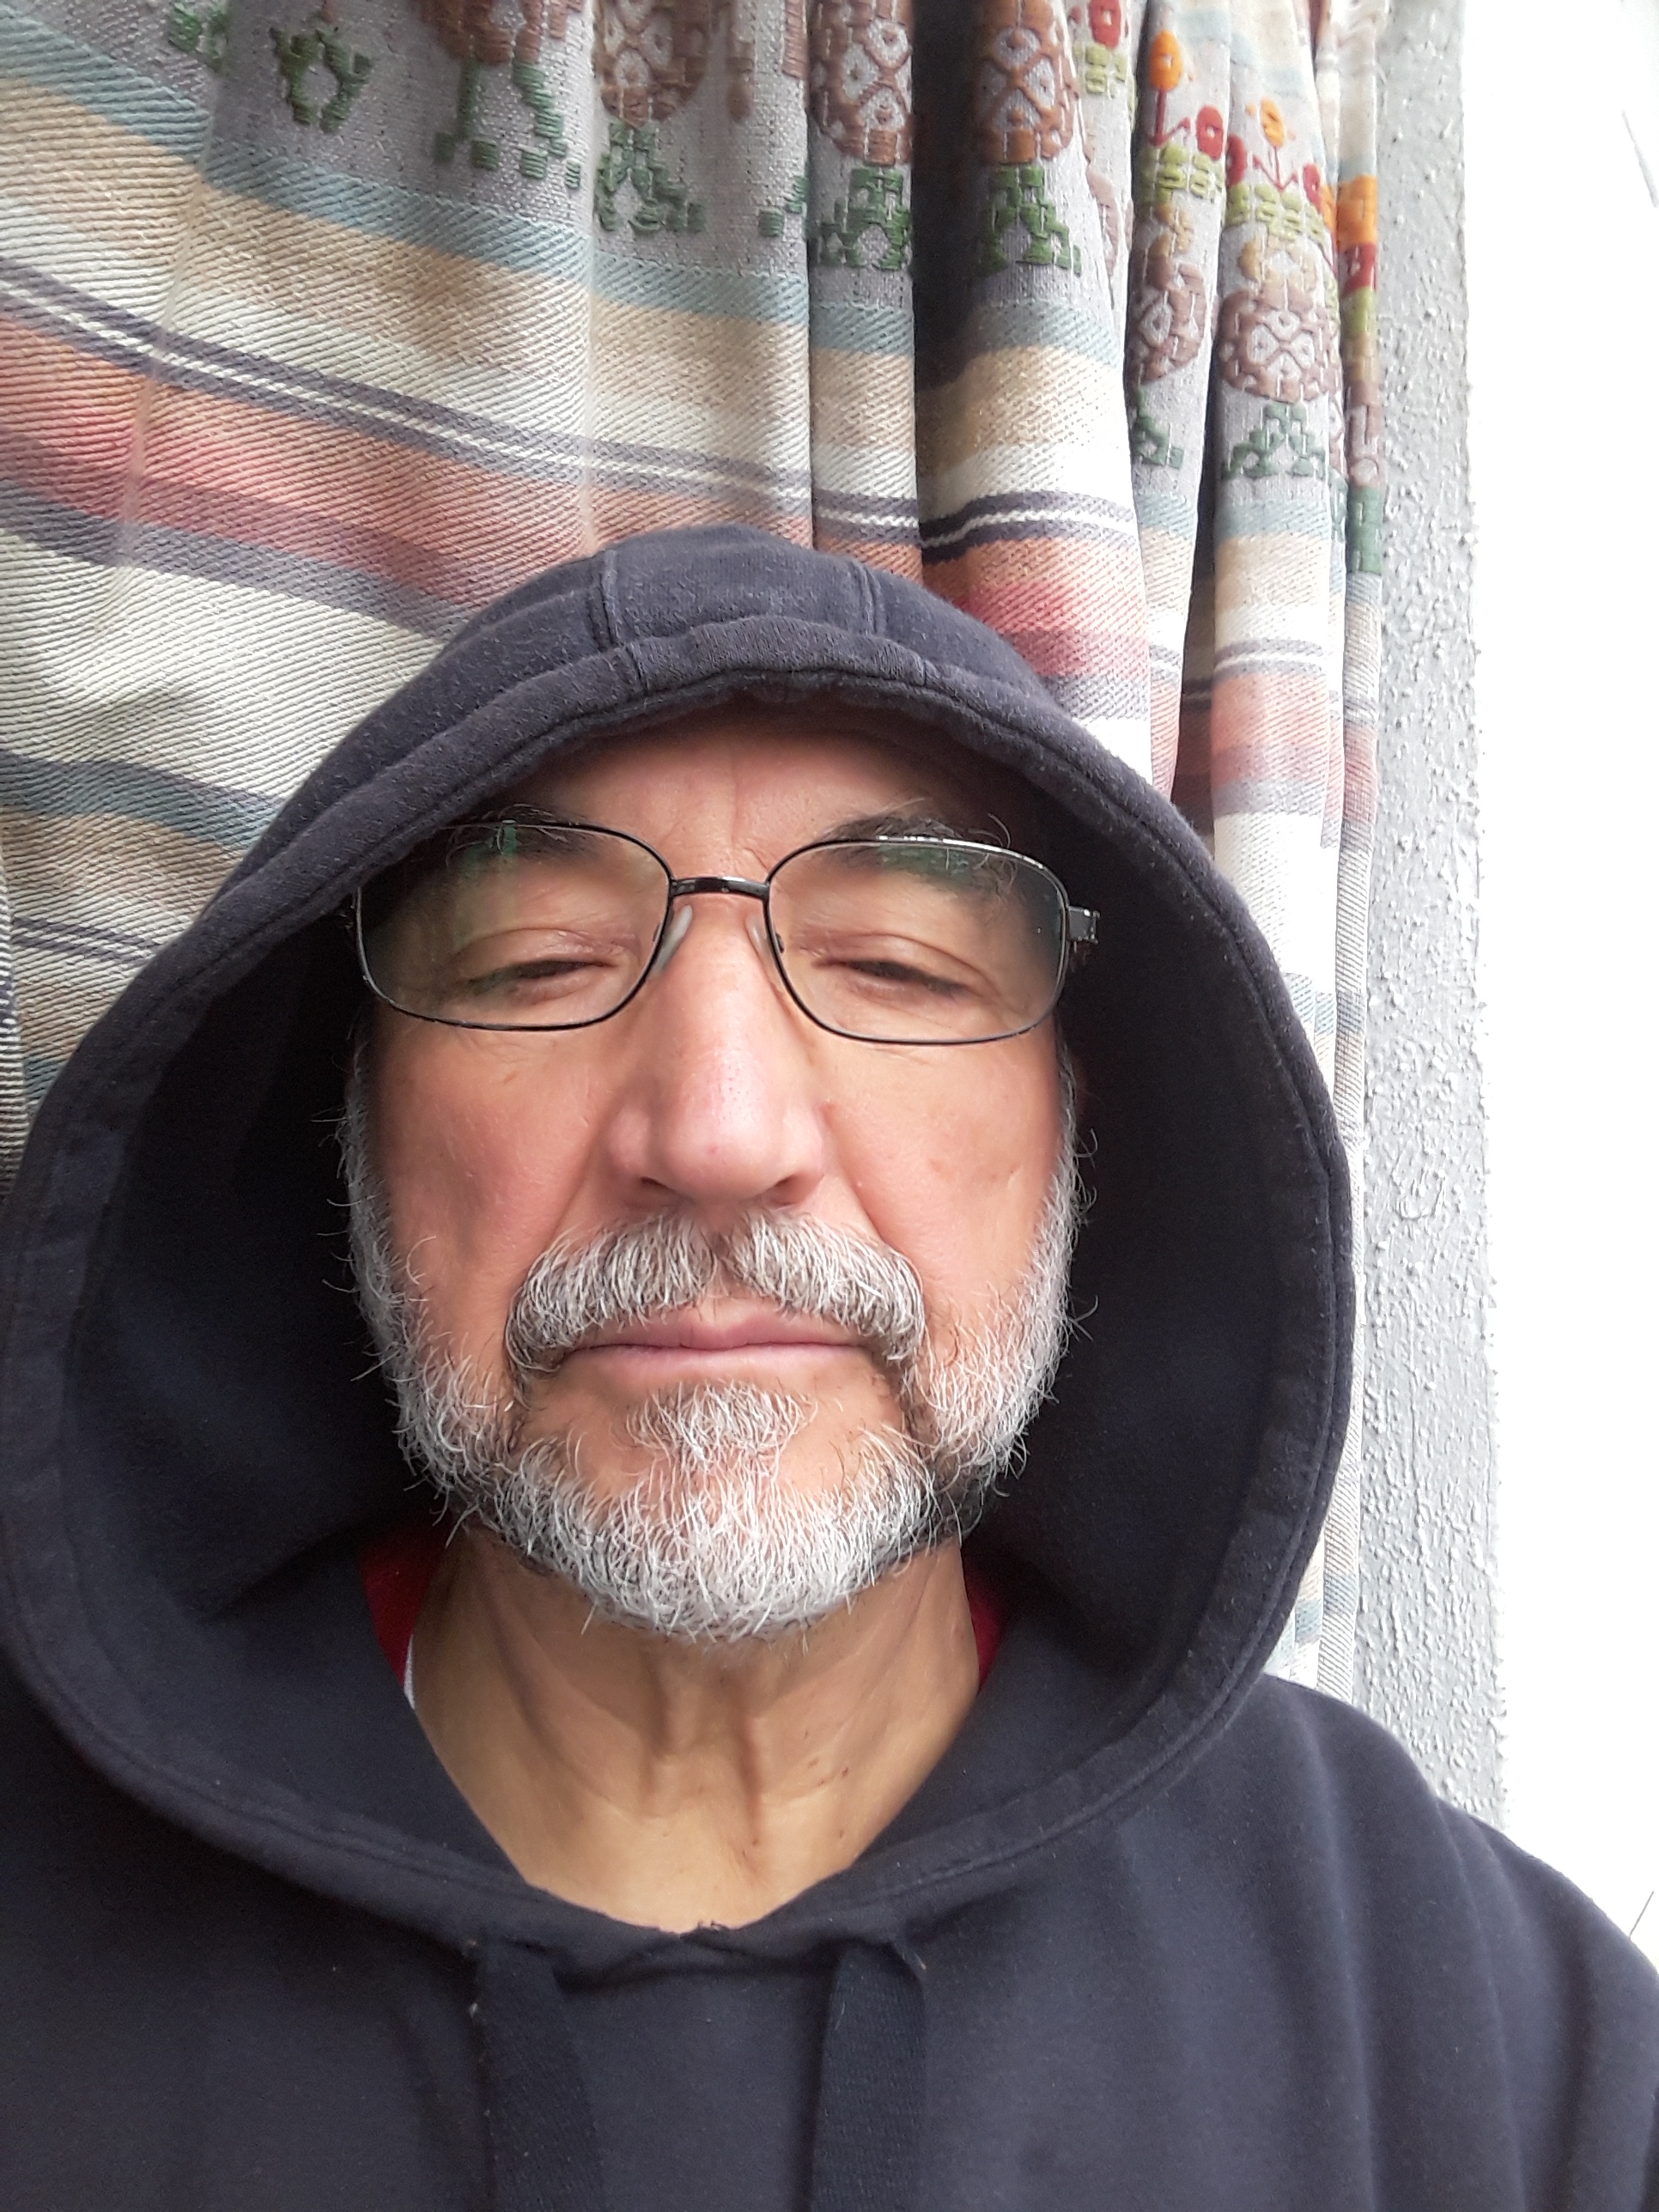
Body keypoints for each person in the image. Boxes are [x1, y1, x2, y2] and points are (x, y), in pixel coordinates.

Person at [0, 526, 1653, 2212]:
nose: (719, 1134)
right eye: (539, 965)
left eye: (897, 969)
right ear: (347, 1126)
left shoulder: (1488, 2044)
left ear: (1083, 1132)